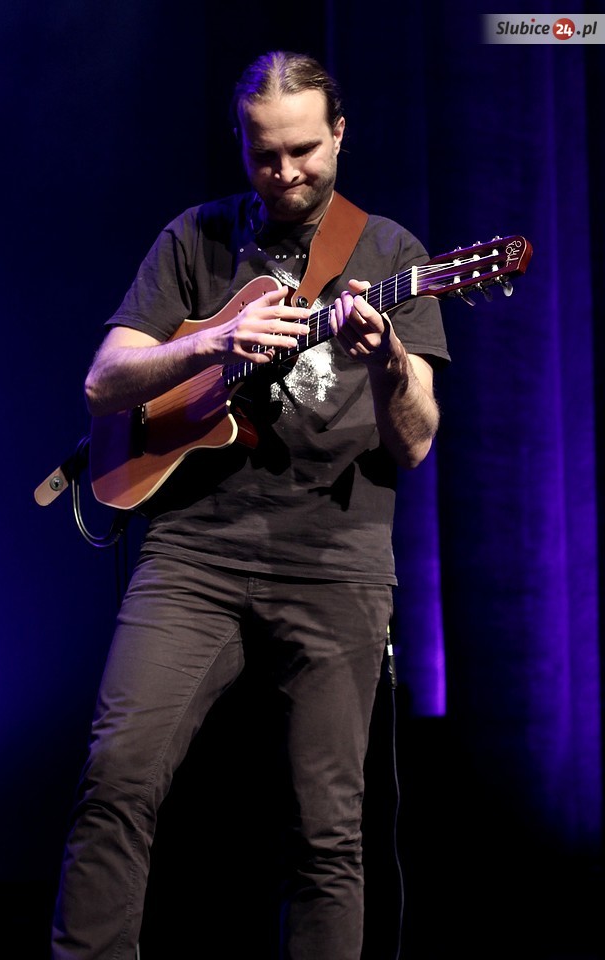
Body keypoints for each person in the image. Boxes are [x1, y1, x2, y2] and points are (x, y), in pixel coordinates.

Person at [51, 49, 450, 960]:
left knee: (326, 831)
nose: (286, 173)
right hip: (194, 552)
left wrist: (389, 360)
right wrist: (213, 340)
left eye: (304, 150)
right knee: (115, 778)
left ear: (340, 133)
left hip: (337, 560)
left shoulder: (393, 254)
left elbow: (416, 442)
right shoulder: (195, 238)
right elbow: (105, 382)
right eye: (264, 154)